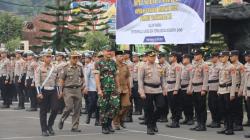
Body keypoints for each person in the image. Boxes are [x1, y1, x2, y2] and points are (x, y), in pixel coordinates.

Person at [138, 51, 167, 135]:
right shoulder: (142, 66)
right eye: (151, 57)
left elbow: (162, 79)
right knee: (149, 109)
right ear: (147, 57)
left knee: (161, 106)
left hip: (158, 90)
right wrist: (141, 91)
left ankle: (153, 121)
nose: (153, 58)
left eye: (154, 57)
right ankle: (150, 127)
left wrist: (164, 88)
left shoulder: (158, 66)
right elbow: (140, 80)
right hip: (147, 89)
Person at [94, 46, 120, 134]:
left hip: (113, 89)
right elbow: (97, 77)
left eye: (110, 51)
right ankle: (104, 126)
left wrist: (118, 87)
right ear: (103, 52)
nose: (109, 53)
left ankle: (109, 123)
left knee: (115, 106)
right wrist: (99, 89)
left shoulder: (113, 62)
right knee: (103, 108)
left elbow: (116, 76)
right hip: (103, 89)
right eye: (107, 51)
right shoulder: (98, 63)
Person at [58, 51, 84, 132]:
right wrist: (61, 91)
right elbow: (61, 80)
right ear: (70, 58)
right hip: (68, 89)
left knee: (77, 109)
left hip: (77, 89)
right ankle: (62, 119)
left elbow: (82, 77)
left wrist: (83, 86)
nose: (76, 59)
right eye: (74, 58)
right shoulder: (65, 67)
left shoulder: (79, 67)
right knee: (69, 107)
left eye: (77, 57)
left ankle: (74, 126)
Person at [35, 49, 59, 137]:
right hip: (43, 91)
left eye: (50, 57)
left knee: (55, 108)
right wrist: (39, 93)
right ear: (43, 58)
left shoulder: (54, 68)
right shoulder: (39, 68)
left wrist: (59, 92)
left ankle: (50, 125)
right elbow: (37, 82)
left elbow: (57, 81)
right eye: (47, 57)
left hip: (53, 90)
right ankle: (44, 130)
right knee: (43, 111)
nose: (49, 58)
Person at [217, 51, 237, 135]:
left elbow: (234, 81)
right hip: (221, 90)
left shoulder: (231, 67)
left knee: (229, 110)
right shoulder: (220, 66)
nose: (222, 58)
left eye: (223, 57)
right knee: (223, 110)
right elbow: (220, 79)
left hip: (228, 90)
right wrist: (218, 89)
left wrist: (232, 93)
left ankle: (230, 128)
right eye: (221, 57)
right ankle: (225, 127)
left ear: (227, 57)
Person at [189, 49, 209, 131]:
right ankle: (198, 123)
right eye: (194, 55)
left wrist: (204, 89)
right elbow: (192, 78)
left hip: (201, 88)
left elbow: (205, 78)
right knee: (196, 107)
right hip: (194, 88)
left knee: (202, 107)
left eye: (196, 54)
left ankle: (202, 125)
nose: (195, 56)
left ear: (201, 55)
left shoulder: (204, 65)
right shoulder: (194, 65)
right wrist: (190, 88)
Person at [113, 51, 131, 130]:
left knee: (127, 105)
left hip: (125, 88)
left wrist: (130, 89)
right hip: (116, 88)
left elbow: (127, 78)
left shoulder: (125, 66)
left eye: (122, 56)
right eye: (120, 56)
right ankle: (116, 122)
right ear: (116, 57)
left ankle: (120, 119)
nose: (122, 58)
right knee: (116, 107)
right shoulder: (113, 65)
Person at [166, 51, 182, 128]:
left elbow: (178, 79)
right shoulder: (170, 66)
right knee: (171, 106)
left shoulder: (177, 66)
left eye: (171, 56)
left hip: (174, 88)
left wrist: (176, 89)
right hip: (169, 88)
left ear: (175, 57)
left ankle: (176, 121)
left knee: (176, 106)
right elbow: (167, 78)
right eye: (169, 56)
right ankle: (173, 120)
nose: (170, 58)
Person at [230, 50, 244, 131]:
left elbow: (243, 79)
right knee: (232, 107)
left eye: (232, 56)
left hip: (238, 88)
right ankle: (234, 123)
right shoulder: (230, 65)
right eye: (230, 56)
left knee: (238, 108)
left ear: (236, 56)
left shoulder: (240, 66)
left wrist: (241, 90)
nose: (231, 57)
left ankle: (239, 124)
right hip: (231, 89)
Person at [84, 54, 100, 126]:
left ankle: (97, 120)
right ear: (93, 58)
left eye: (100, 57)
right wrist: (86, 87)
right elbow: (86, 77)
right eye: (97, 57)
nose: (98, 58)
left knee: (99, 105)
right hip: (92, 88)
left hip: (100, 88)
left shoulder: (102, 65)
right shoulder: (90, 66)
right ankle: (89, 115)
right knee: (92, 103)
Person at [207, 52, 221, 128]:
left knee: (216, 105)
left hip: (216, 88)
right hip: (211, 87)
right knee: (211, 105)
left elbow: (220, 78)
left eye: (212, 57)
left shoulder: (220, 66)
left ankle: (217, 121)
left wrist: (219, 89)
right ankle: (214, 120)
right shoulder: (211, 66)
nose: (211, 59)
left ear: (217, 57)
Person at [180, 54, 194, 125]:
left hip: (187, 88)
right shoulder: (183, 67)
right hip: (182, 88)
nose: (183, 59)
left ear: (188, 59)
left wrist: (190, 87)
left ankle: (191, 118)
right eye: (183, 58)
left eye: (184, 58)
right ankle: (186, 118)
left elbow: (191, 78)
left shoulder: (190, 67)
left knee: (189, 104)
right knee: (184, 104)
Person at [158, 52, 170, 123]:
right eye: (158, 58)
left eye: (160, 58)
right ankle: (160, 116)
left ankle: (164, 117)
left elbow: (167, 78)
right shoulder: (158, 65)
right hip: (159, 86)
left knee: (164, 103)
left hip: (165, 86)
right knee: (160, 103)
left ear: (164, 58)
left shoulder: (167, 66)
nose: (159, 59)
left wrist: (165, 88)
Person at [244, 50, 250, 138]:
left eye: (247, 55)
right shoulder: (245, 66)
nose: (245, 57)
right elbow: (245, 80)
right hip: (248, 91)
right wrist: (245, 92)